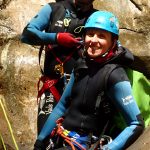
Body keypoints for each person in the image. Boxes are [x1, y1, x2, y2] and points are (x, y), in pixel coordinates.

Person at [33, 11, 145, 150]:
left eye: (102, 36)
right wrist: (40, 140)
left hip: (85, 144)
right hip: (63, 138)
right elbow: (62, 105)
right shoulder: (82, 64)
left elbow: (136, 123)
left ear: (113, 41)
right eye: (90, 34)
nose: (93, 40)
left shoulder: (115, 75)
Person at [21, 0, 96, 135]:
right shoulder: (54, 9)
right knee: (44, 139)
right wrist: (57, 37)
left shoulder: (97, 17)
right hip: (53, 88)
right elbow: (27, 34)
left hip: (83, 91)